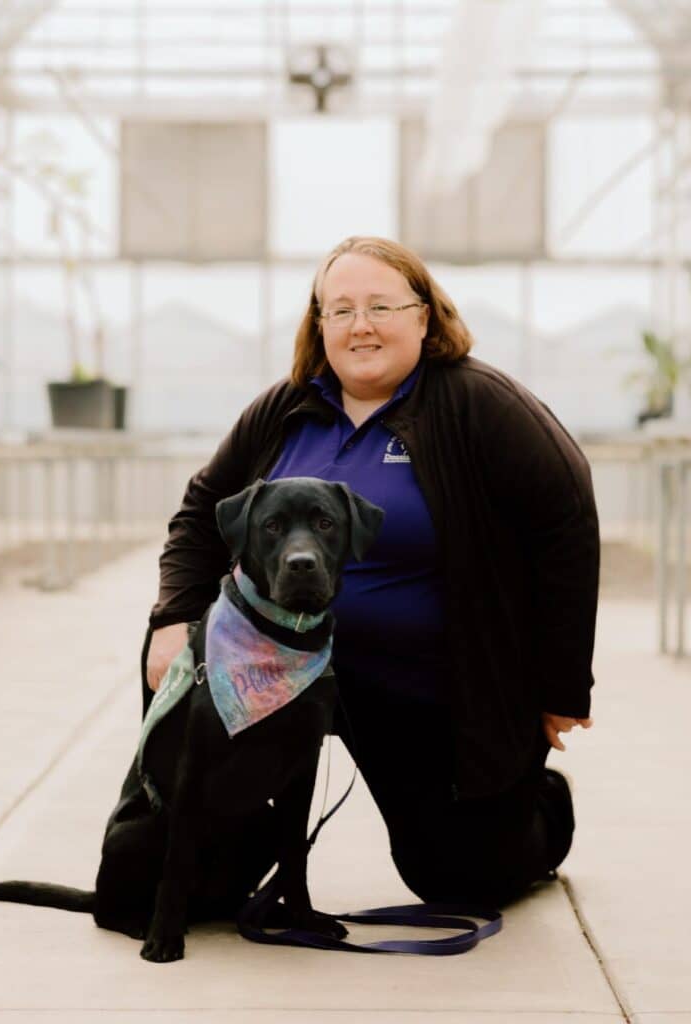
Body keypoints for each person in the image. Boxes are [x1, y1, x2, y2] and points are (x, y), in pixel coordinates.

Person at [144, 235, 599, 909]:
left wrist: (559, 685)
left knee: (461, 880)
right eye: (341, 309)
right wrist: (172, 619)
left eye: (382, 305)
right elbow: (199, 513)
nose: (361, 325)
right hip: (275, 674)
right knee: (194, 882)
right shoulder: (283, 409)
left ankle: (533, 806)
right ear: (317, 323)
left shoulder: (480, 404)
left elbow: (565, 529)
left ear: (425, 315)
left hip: (420, 689)